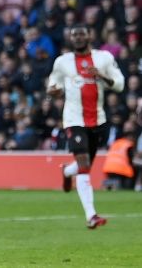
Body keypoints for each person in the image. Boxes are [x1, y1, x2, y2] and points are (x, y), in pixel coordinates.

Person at [47, 24, 124, 229]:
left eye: (82, 34)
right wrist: (52, 91)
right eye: (74, 35)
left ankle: (66, 173)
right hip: (73, 120)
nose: (78, 37)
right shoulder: (62, 62)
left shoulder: (104, 58)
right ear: (71, 38)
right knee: (84, 165)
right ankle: (91, 215)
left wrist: (102, 76)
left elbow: (119, 84)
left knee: (85, 165)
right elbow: (53, 84)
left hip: (98, 120)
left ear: (89, 36)